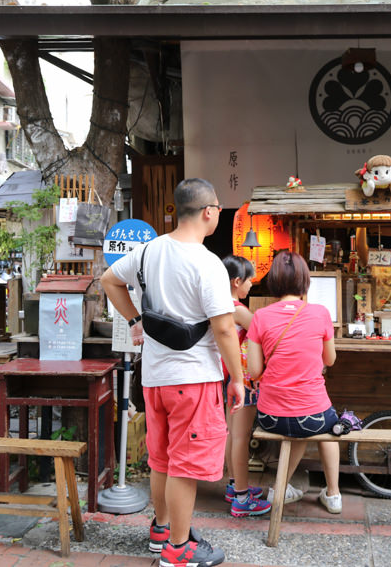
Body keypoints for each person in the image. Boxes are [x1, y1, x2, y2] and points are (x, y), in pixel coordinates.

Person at [101, 178, 242, 567]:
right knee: (184, 465)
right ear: (210, 211)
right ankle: (178, 552)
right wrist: (239, 379)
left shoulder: (147, 252)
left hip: (155, 379)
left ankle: (161, 531)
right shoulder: (207, 262)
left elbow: (108, 280)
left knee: (162, 459)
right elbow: (225, 328)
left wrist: (135, 319)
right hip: (193, 379)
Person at [246, 251, 343, 514]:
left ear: (274, 281)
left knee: (298, 422)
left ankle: (280, 487)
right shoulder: (320, 313)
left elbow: (254, 371)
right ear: (305, 281)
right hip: (312, 416)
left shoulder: (260, 316)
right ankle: (333, 495)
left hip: (269, 416)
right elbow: (330, 360)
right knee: (331, 425)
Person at [220, 255, 271, 518]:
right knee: (240, 437)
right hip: (243, 380)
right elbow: (262, 332)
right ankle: (241, 498)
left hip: (231, 376)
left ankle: (233, 485)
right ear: (236, 281)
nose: (252, 284)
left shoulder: (219, 303)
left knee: (233, 434)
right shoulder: (236, 308)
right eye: (249, 279)